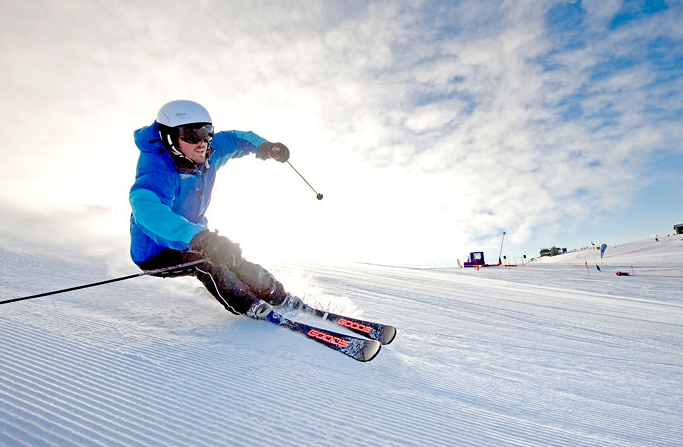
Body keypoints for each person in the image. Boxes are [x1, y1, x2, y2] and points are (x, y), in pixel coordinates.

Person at [129, 100, 301, 319]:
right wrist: (200, 238)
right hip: (156, 250)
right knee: (207, 265)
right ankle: (250, 306)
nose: (201, 142)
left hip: (196, 235)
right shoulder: (157, 168)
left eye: (207, 132)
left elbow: (236, 139)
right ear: (170, 136)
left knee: (231, 256)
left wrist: (265, 147)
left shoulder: (205, 153)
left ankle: (277, 295)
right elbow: (148, 211)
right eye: (190, 135)